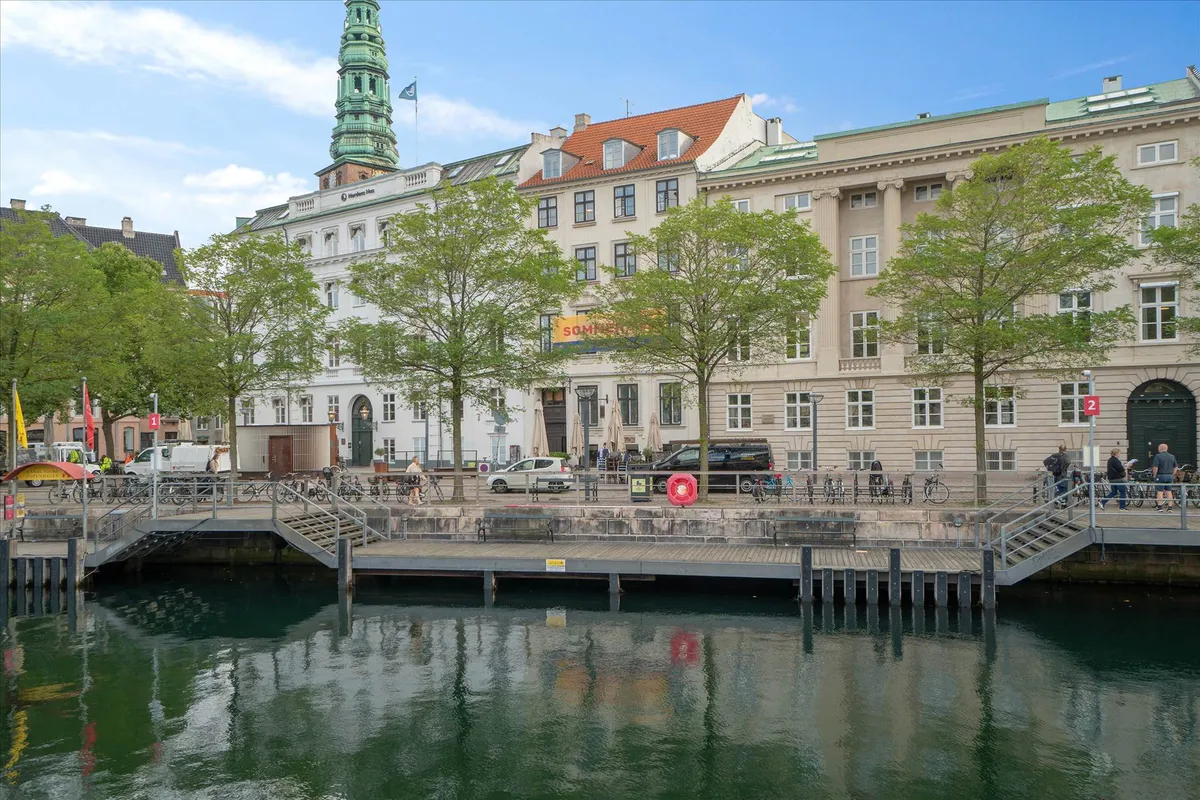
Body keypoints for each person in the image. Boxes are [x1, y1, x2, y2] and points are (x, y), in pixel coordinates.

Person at [1150, 442, 1178, 512]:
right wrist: (1172, 474)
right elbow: (1176, 467)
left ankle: (1160, 507)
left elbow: (1155, 467)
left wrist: (1154, 475)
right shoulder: (1172, 456)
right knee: (1169, 491)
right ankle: (1170, 507)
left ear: (1160, 448)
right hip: (1169, 476)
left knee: (1160, 492)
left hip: (1161, 475)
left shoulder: (1158, 456)